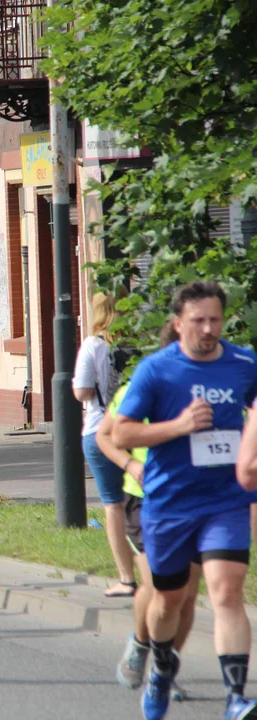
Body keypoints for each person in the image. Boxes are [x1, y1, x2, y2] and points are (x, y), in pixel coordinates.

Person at [113, 281, 257, 720]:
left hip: (226, 500)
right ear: (178, 324)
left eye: (215, 319)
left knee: (227, 592)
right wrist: (177, 426)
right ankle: (160, 670)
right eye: (198, 321)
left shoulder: (244, 363)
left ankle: (236, 697)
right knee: (168, 600)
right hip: (170, 502)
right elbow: (121, 433)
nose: (208, 328)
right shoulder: (157, 370)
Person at [97, 322, 199, 701]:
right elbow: (104, 436)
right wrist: (130, 466)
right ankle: (142, 642)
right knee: (159, 587)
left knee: (187, 593)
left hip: (196, 499)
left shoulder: (211, 391)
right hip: (146, 498)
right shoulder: (140, 386)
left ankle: (164, 667)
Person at [74, 293, 137, 598]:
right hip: (137, 431)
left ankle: (127, 577)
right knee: (140, 501)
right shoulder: (138, 346)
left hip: (100, 431)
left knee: (113, 506)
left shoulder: (93, 345)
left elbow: (82, 391)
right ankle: (152, 567)